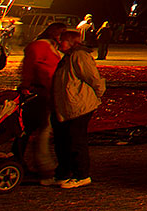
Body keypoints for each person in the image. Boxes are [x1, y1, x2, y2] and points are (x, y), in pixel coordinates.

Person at [51, 28, 105, 188]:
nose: (59, 43)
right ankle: (63, 173)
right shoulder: (68, 57)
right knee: (63, 140)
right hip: (68, 105)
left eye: (62, 40)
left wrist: (98, 94)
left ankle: (81, 174)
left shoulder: (79, 56)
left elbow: (93, 78)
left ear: (70, 42)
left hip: (79, 105)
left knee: (76, 140)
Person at [20, 21, 66, 181]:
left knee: (41, 130)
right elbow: (29, 68)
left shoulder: (50, 47)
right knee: (37, 129)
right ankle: (41, 164)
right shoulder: (40, 47)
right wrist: (26, 86)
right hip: (39, 92)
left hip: (47, 92)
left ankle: (36, 162)